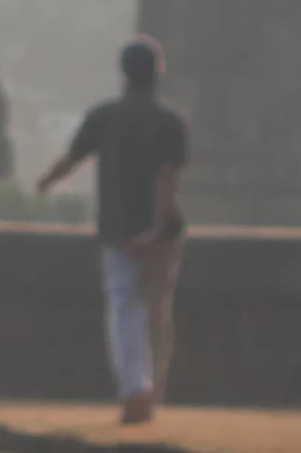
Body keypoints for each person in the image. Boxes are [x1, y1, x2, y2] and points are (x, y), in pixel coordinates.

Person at [39, 37, 193, 425]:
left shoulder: (104, 117)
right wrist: (156, 228)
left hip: (117, 229)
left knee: (124, 307)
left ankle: (135, 387)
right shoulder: (172, 122)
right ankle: (153, 392)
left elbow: (71, 159)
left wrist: (45, 182)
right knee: (157, 311)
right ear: (159, 70)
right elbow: (167, 179)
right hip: (163, 232)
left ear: (122, 72)